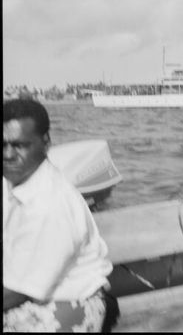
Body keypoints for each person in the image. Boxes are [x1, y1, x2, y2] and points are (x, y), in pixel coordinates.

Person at [3, 98, 119, 332]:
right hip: (27, 294)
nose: (7, 154)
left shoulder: (51, 204)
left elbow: (20, 291)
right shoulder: (14, 181)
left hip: (69, 303)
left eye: (19, 145)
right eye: (1, 144)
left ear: (45, 142)